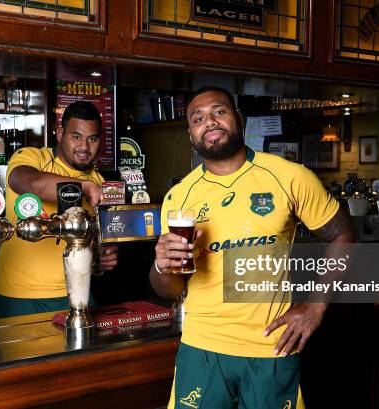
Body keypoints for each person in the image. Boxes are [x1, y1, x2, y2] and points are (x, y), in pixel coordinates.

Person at [151, 86, 356, 409]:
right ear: (190, 134)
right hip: (202, 349)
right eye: (198, 118)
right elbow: (171, 287)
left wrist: (316, 305)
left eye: (219, 112)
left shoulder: (289, 176)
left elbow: (344, 235)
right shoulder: (180, 197)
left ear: (239, 119)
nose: (210, 122)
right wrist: (162, 266)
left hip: (270, 349)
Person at [0, 101, 118, 319]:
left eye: (93, 139)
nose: (84, 147)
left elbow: (99, 239)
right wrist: (84, 187)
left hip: (78, 291)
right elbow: (30, 183)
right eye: (76, 137)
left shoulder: (99, 182)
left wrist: (103, 256)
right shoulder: (32, 158)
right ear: (60, 133)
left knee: (86, 354)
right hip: (20, 294)